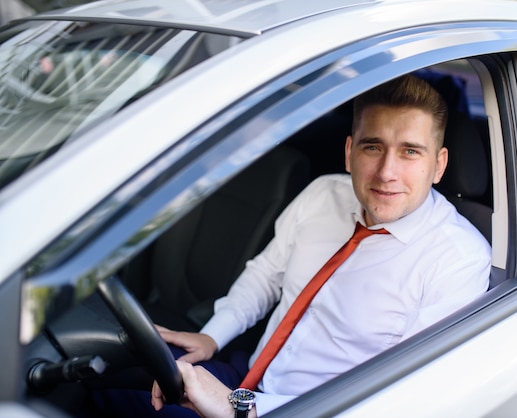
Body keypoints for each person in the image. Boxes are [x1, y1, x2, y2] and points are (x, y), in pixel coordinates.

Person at [99, 74, 491, 418]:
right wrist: (213, 335)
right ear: (349, 152)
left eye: (410, 151)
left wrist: (240, 408)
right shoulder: (323, 194)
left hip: (312, 408)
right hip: (247, 374)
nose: (387, 172)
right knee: (99, 388)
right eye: (373, 147)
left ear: (438, 165)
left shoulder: (456, 260)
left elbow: (400, 397)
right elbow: (266, 274)